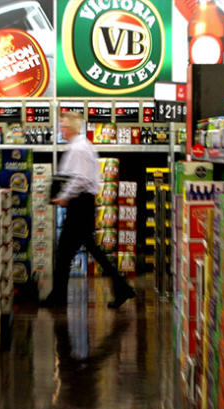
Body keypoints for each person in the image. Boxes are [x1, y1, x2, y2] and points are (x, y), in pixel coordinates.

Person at [43, 111, 136, 309]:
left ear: (70, 128)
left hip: (80, 204)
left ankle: (58, 297)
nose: (61, 129)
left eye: (63, 125)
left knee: (64, 253)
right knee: (91, 250)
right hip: (82, 204)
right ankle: (122, 288)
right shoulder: (79, 146)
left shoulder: (79, 149)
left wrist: (64, 196)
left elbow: (81, 179)